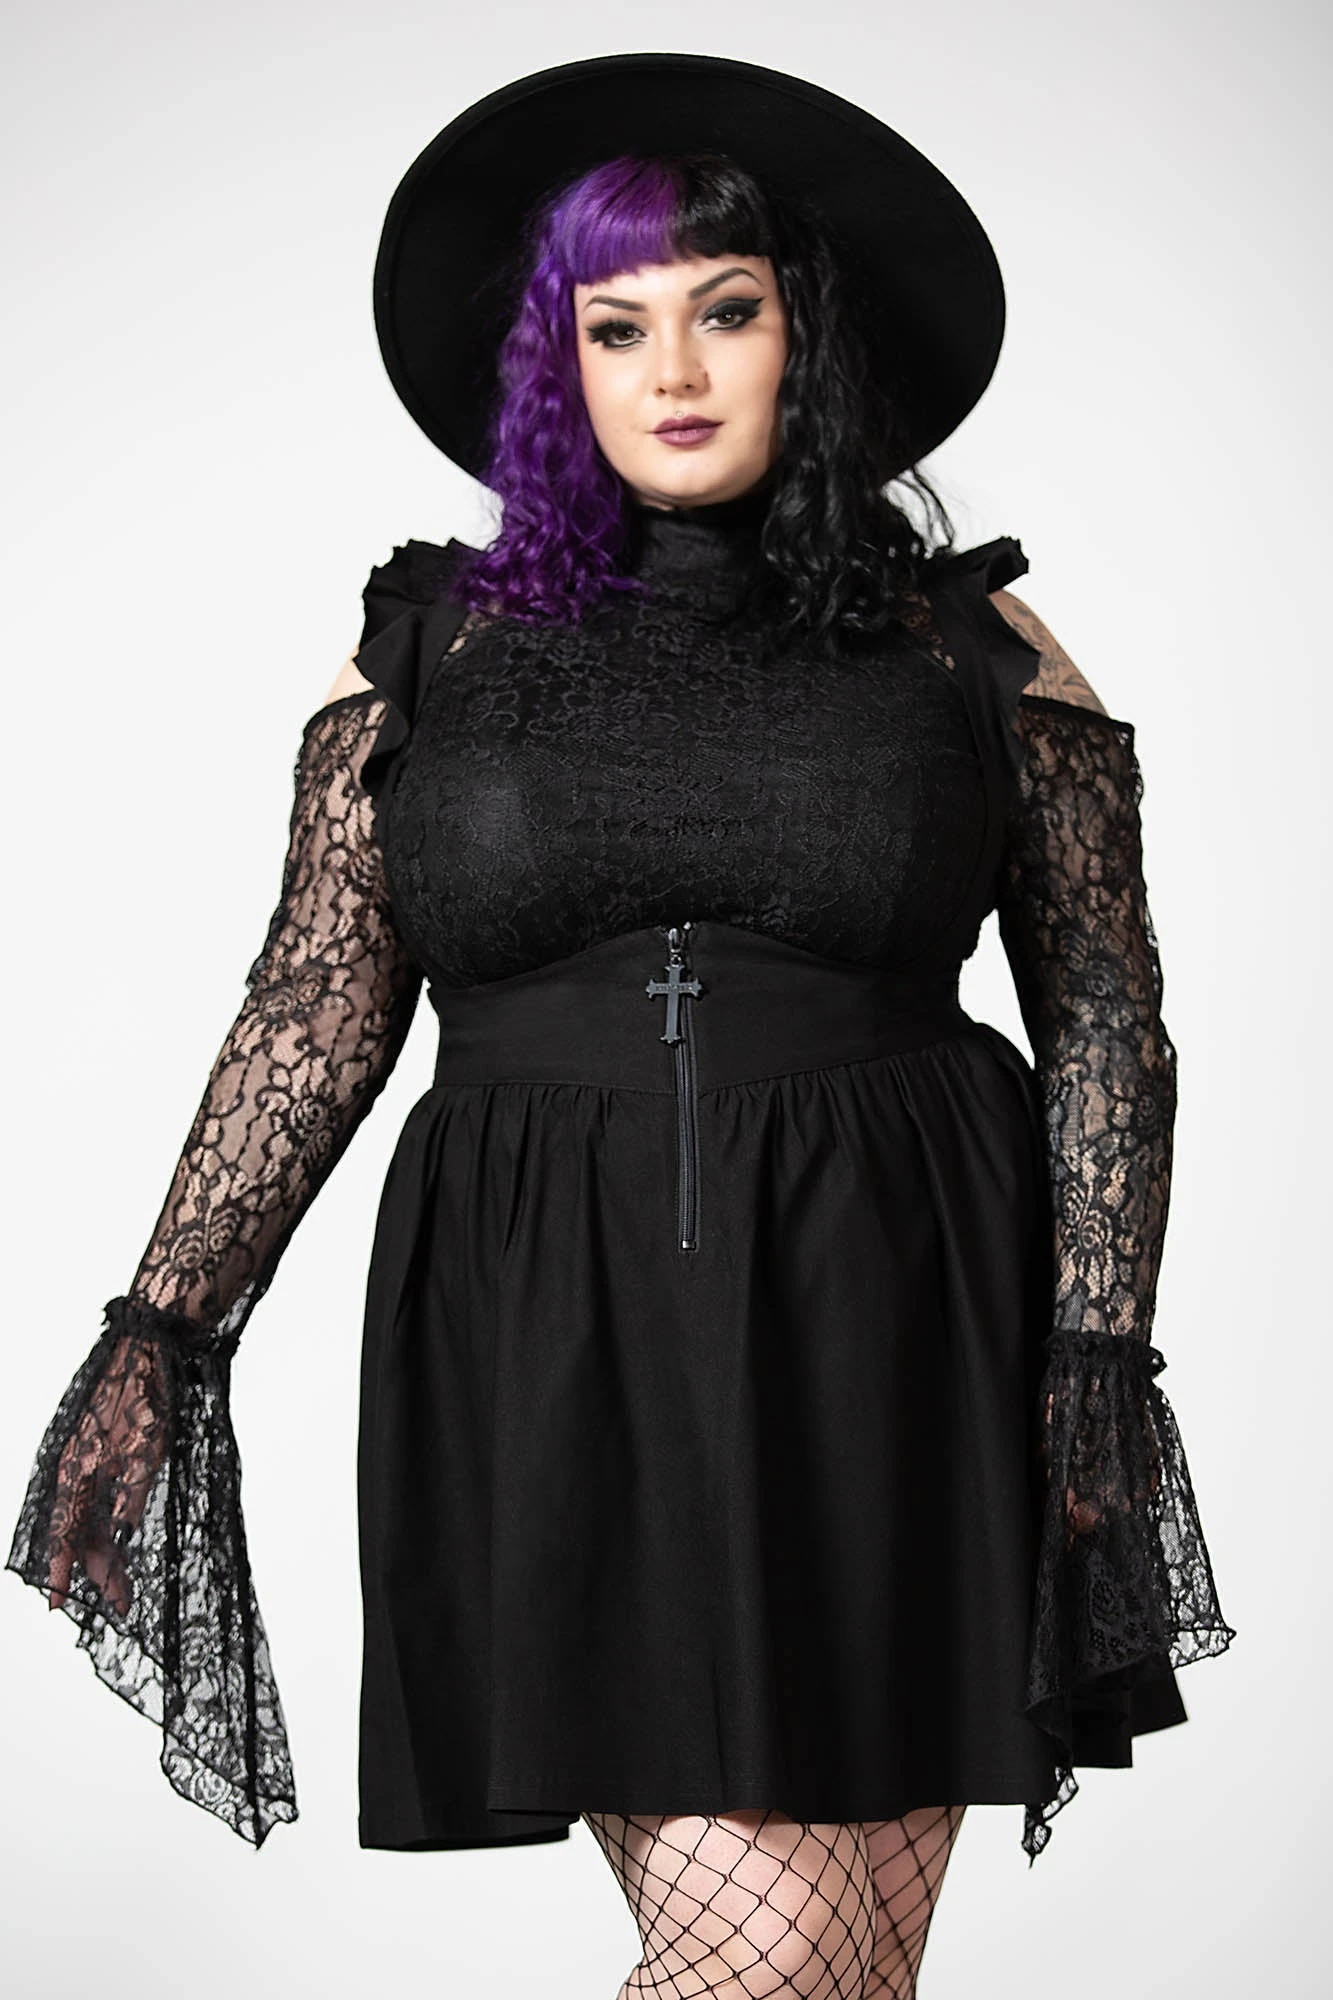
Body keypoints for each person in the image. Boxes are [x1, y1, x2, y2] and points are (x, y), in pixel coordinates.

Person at [7, 52, 1235, 2000]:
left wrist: (1094, 1351)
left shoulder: (971, 644)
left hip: (898, 1323)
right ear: (556, 363)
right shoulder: (433, 645)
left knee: (840, 1979)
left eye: (725, 311)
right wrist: (163, 1334)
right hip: (550, 1329)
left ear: (803, 334)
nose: (673, 368)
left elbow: (1105, 1011)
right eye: (617, 324)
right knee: (775, 1968)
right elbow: (315, 1003)